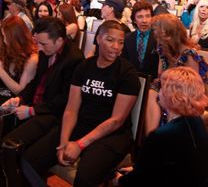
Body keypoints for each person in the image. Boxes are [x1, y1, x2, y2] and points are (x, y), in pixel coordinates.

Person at [56, 20, 140, 186]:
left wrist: (79, 145)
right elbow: (71, 109)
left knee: (85, 176)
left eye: (121, 42)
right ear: (98, 39)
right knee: (35, 155)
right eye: (110, 40)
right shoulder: (84, 67)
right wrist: (63, 143)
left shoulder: (127, 74)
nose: (116, 46)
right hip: (82, 125)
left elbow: (116, 120)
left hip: (113, 135)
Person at [1, 17, 84, 186]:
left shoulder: (74, 59)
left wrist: (31, 111)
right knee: (8, 144)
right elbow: (35, 82)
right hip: (41, 110)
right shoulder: (46, 51)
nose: (38, 47)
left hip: (57, 116)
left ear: (59, 40)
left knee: (25, 155)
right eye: (38, 42)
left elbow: (65, 100)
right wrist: (20, 98)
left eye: (43, 44)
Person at [119, 67, 208, 187]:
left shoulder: (161, 135)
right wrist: (138, 170)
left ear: (171, 95)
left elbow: (139, 180)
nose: (159, 92)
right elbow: (168, 165)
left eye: (162, 88)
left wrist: (120, 180)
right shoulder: (196, 120)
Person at [145, 14, 208, 135]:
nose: (156, 39)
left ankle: (156, 139)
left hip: (187, 94)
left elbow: (193, 87)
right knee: (150, 94)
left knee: (160, 100)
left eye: (158, 35)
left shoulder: (189, 54)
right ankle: (150, 138)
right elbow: (160, 75)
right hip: (168, 87)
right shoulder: (163, 49)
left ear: (168, 36)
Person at [0, 16, 38, 101]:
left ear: (16, 38)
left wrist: (1, 71)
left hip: (15, 104)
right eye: (3, 36)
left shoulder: (32, 58)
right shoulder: (8, 50)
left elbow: (21, 91)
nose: (5, 41)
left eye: (6, 37)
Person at [122, 0, 159, 79]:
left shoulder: (159, 38)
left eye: (148, 16)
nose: (144, 21)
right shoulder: (127, 38)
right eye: (140, 17)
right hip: (130, 81)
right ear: (134, 20)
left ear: (152, 17)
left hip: (153, 84)